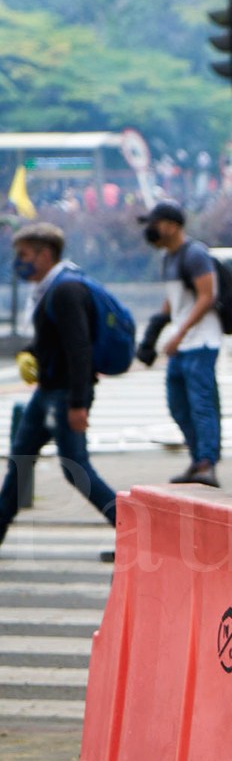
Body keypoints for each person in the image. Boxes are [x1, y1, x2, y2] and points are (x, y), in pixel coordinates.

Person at [1, 223, 118, 550]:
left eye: (24, 255)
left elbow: (79, 349)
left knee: (75, 469)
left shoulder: (66, 291)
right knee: (21, 462)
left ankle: (130, 529)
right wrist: (30, 352)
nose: (19, 262)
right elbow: (53, 342)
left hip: (65, 395)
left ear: (45, 254)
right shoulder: (50, 289)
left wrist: (78, 404)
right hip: (47, 393)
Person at [140, 199, 222, 486]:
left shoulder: (195, 254)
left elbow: (206, 295)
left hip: (201, 342)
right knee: (177, 404)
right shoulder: (169, 258)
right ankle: (198, 457)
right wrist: (153, 333)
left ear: (173, 227)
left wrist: (179, 333)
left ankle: (206, 463)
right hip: (184, 343)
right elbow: (173, 300)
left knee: (201, 404)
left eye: (155, 223)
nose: (151, 230)